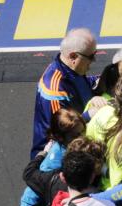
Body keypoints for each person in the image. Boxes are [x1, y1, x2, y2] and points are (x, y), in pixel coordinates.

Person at [15, 107, 86, 206]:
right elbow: (30, 195)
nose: (82, 137)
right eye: (77, 135)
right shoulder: (53, 162)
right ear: (61, 138)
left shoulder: (71, 145)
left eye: (82, 132)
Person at [31, 28, 97, 158]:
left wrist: (100, 79)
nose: (93, 61)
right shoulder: (54, 90)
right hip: (57, 161)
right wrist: (89, 115)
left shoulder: (71, 70)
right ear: (73, 56)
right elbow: (63, 131)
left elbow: (80, 85)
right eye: (91, 57)